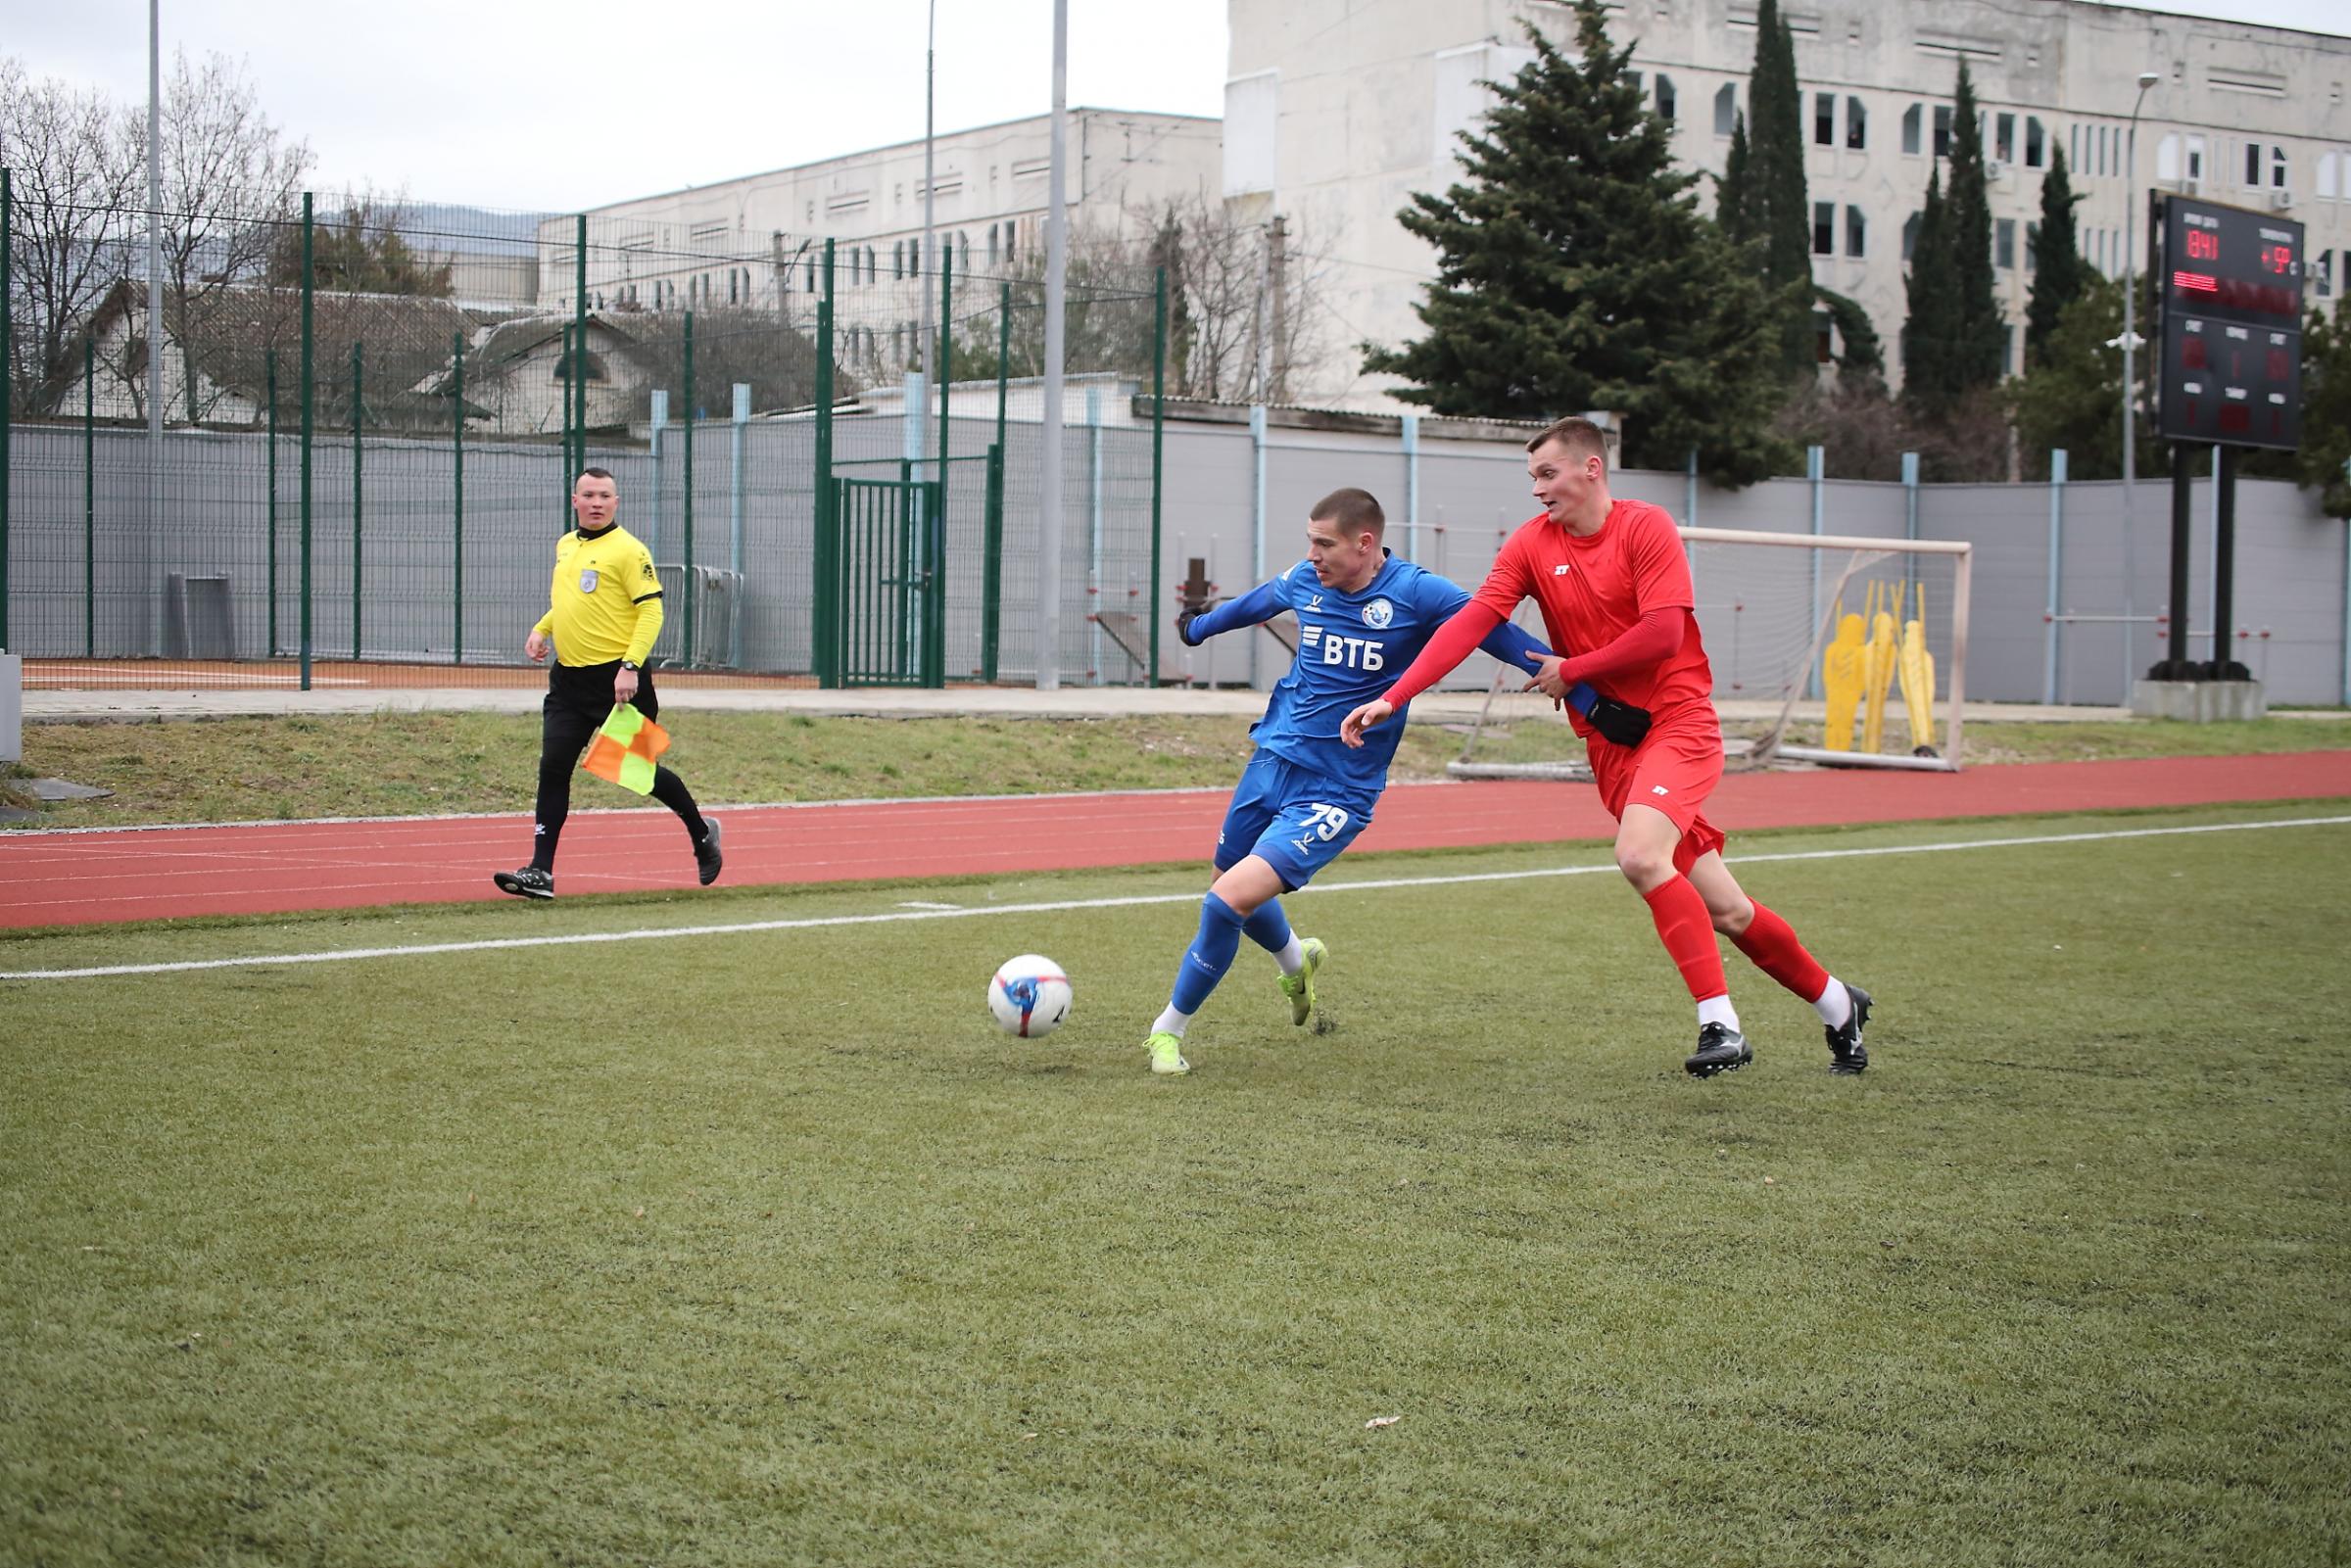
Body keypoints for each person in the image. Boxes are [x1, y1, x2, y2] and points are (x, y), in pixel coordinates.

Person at [1341, 418, 1871, 1077]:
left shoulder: (1646, 527)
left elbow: (1663, 634)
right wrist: (1395, 696)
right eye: (1532, 477)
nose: (1537, 489)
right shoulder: (1531, 543)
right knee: (1729, 909)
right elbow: (1473, 621)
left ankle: (1720, 1023)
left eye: (1547, 474)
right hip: (1614, 745)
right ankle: (1839, 1004)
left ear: (1591, 468)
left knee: (1639, 855)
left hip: (1678, 725)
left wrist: (1572, 669)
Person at [1145, 486, 1643, 1076]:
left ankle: (1166, 1031)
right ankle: (1296, 962)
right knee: (1230, 885)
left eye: (1324, 544)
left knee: (1224, 902)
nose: (1312, 555)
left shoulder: (1416, 592)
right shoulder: (1307, 580)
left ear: (1365, 543)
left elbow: (1499, 635)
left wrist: (1590, 699)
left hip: (1338, 789)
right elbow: (1257, 603)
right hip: (1272, 760)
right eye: (1309, 542)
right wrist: (1199, 628)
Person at [493, 467, 723, 900]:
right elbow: (571, 602)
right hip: (568, 683)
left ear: (616, 502)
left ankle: (702, 832)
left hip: (619, 682)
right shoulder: (566, 545)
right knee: (553, 766)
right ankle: (540, 871)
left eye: (604, 496)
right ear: (575, 501)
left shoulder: (630, 551)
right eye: (588, 495)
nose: (596, 503)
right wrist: (542, 628)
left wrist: (630, 666)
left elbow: (651, 611)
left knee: (636, 772)